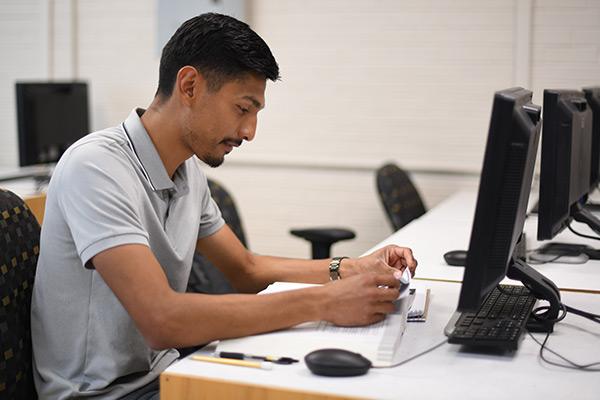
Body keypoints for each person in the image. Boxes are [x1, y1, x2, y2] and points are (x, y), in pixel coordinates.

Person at [30, 13, 417, 400]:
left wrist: (349, 268)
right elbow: (161, 319)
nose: (249, 132)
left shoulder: (187, 173)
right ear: (190, 85)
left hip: (168, 372)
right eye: (242, 109)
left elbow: (246, 270)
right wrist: (325, 302)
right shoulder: (96, 167)